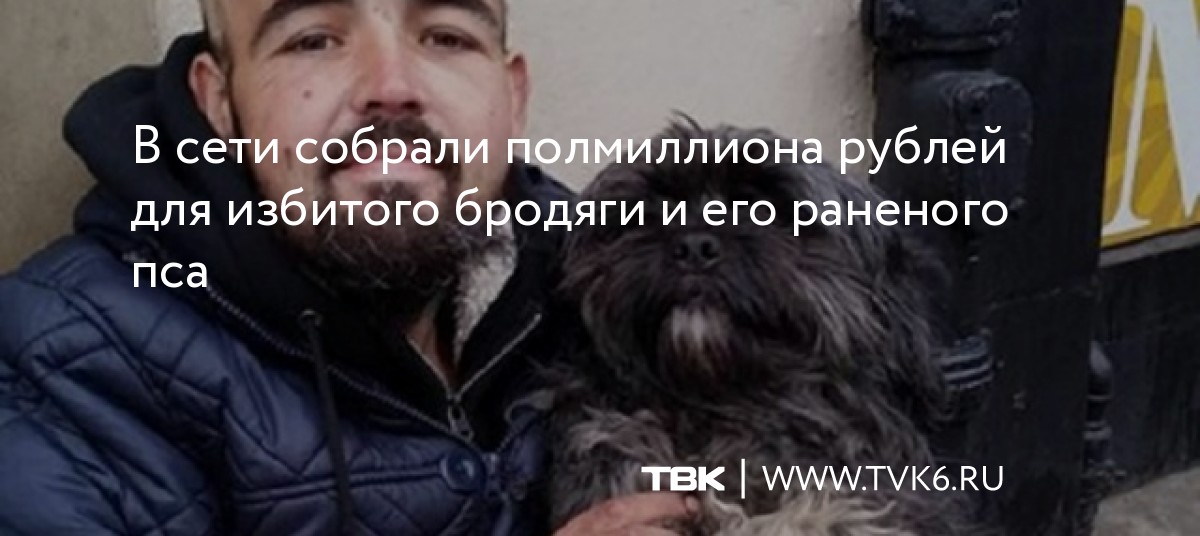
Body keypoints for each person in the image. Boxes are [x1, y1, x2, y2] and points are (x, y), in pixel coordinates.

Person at [0, 0, 696, 533]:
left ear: (512, 99)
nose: (391, 86)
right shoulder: (57, 367)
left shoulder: (606, 284)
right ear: (220, 103)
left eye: (447, 37)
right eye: (314, 40)